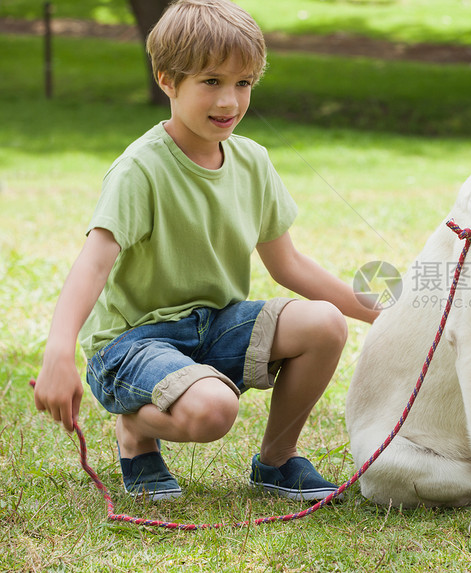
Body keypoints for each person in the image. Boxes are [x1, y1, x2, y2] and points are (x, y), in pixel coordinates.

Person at [33, 0, 378, 501]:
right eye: (211, 82)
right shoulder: (140, 169)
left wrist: (383, 314)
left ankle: (277, 463)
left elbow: (289, 265)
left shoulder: (253, 161)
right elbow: (93, 264)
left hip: (216, 324)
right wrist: (58, 351)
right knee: (215, 411)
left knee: (324, 323)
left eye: (244, 83)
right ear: (167, 79)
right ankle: (134, 432)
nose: (230, 101)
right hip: (133, 342)